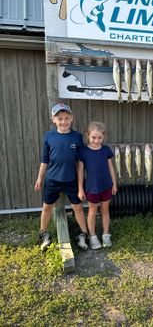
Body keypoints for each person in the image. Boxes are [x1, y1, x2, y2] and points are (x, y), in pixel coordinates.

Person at [35, 103, 89, 251]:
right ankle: (43, 234)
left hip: (71, 180)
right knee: (47, 207)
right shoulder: (49, 136)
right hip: (52, 179)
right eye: (59, 118)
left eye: (66, 118)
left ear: (71, 118)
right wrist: (40, 178)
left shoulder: (76, 137)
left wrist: (80, 187)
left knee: (77, 207)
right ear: (53, 119)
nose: (63, 121)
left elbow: (80, 163)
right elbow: (44, 159)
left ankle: (84, 234)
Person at [77, 122, 117, 250]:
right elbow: (81, 171)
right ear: (88, 135)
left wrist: (114, 183)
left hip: (106, 186)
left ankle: (106, 234)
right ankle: (93, 236)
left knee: (105, 211)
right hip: (91, 188)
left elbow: (111, 167)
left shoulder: (105, 150)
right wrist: (80, 188)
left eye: (99, 138)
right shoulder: (83, 151)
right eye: (93, 137)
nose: (96, 140)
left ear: (103, 137)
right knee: (92, 211)